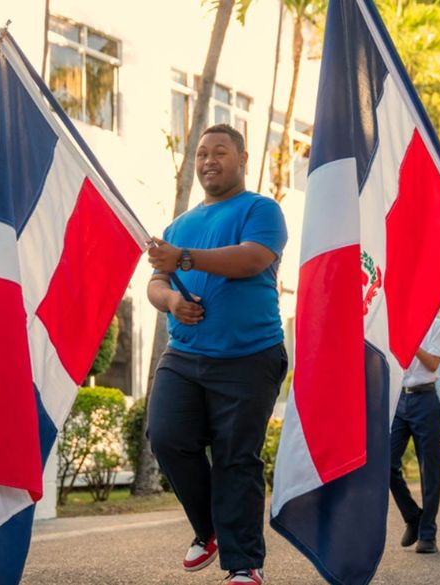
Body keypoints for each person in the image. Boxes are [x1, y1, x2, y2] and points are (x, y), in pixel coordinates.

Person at [145, 124, 288, 585]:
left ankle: (244, 565)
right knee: (166, 436)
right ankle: (209, 530)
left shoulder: (261, 209)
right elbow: (155, 283)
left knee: (235, 457)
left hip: (249, 355)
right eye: (202, 153)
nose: (209, 160)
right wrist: (170, 301)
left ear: (242, 159)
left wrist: (183, 259)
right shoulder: (178, 225)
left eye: (220, 152)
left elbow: (251, 259)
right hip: (184, 356)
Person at [390, 317, 440, 555]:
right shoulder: (395, 322)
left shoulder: (434, 324)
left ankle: (428, 534)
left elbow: (434, 364)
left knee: (430, 470)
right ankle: (412, 516)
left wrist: (411, 343)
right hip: (399, 400)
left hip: (425, 400)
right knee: (387, 463)